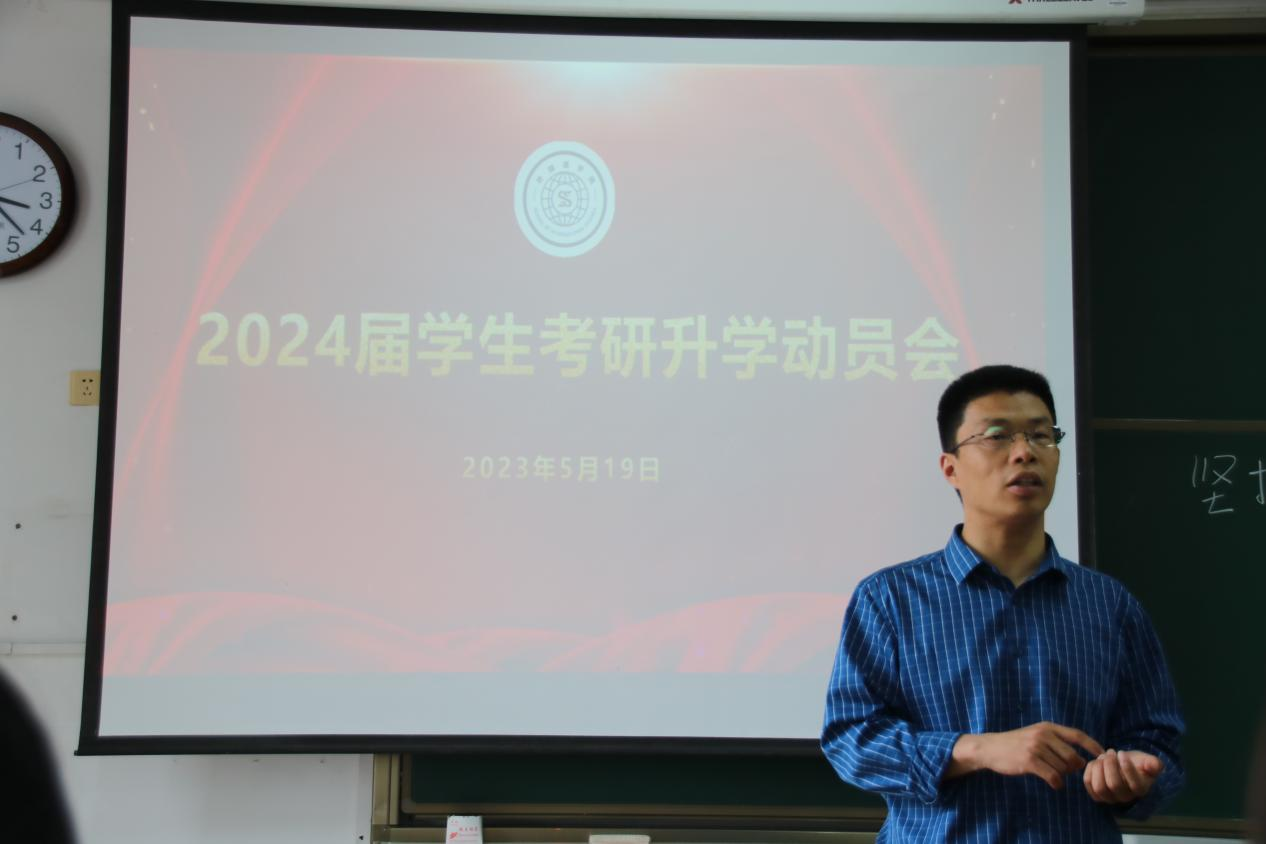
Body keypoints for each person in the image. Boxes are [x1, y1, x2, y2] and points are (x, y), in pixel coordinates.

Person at [821, 364, 1184, 842]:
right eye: (997, 436)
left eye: (1041, 435)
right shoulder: (890, 599)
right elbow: (851, 740)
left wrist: (1131, 776)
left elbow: (1159, 745)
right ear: (950, 468)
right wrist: (977, 750)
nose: (1024, 452)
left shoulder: (1109, 605)